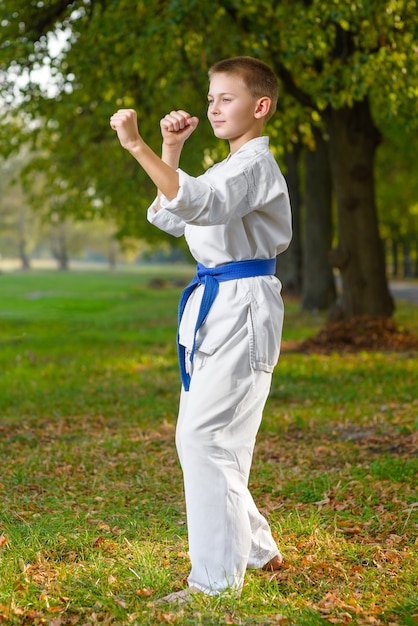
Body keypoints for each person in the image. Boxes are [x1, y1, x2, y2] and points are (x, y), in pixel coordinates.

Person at [110, 56, 292, 602]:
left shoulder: (254, 166)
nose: (213, 106)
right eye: (210, 97)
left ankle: (215, 583)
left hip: (243, 303)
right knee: (206, 441)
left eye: (226, 98)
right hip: (218, 301)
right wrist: (170, 152)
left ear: (259, 107)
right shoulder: (228, 164)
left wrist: (138, 146)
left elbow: (200, 203)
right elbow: (172, 213)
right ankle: (257, 548)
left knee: (206, 439)